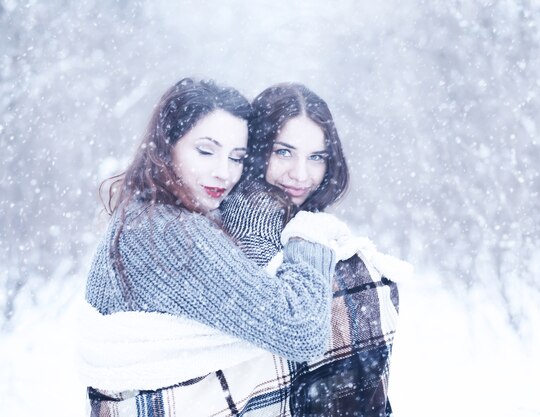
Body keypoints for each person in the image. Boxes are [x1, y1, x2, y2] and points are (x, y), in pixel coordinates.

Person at [80, 78, 348, 417]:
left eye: (236, 157)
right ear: (166, 145)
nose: (223, 172)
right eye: (206, 151)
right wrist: (311, 237)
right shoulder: (169, 232)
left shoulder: (147, 212)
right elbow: (302, 330)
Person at [221, 83, 406, 416]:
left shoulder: (293, 214)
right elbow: (286, 321)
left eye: (316, 157)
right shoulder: (254, 209)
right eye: (283, 152)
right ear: (256, 149)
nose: (301, 174)